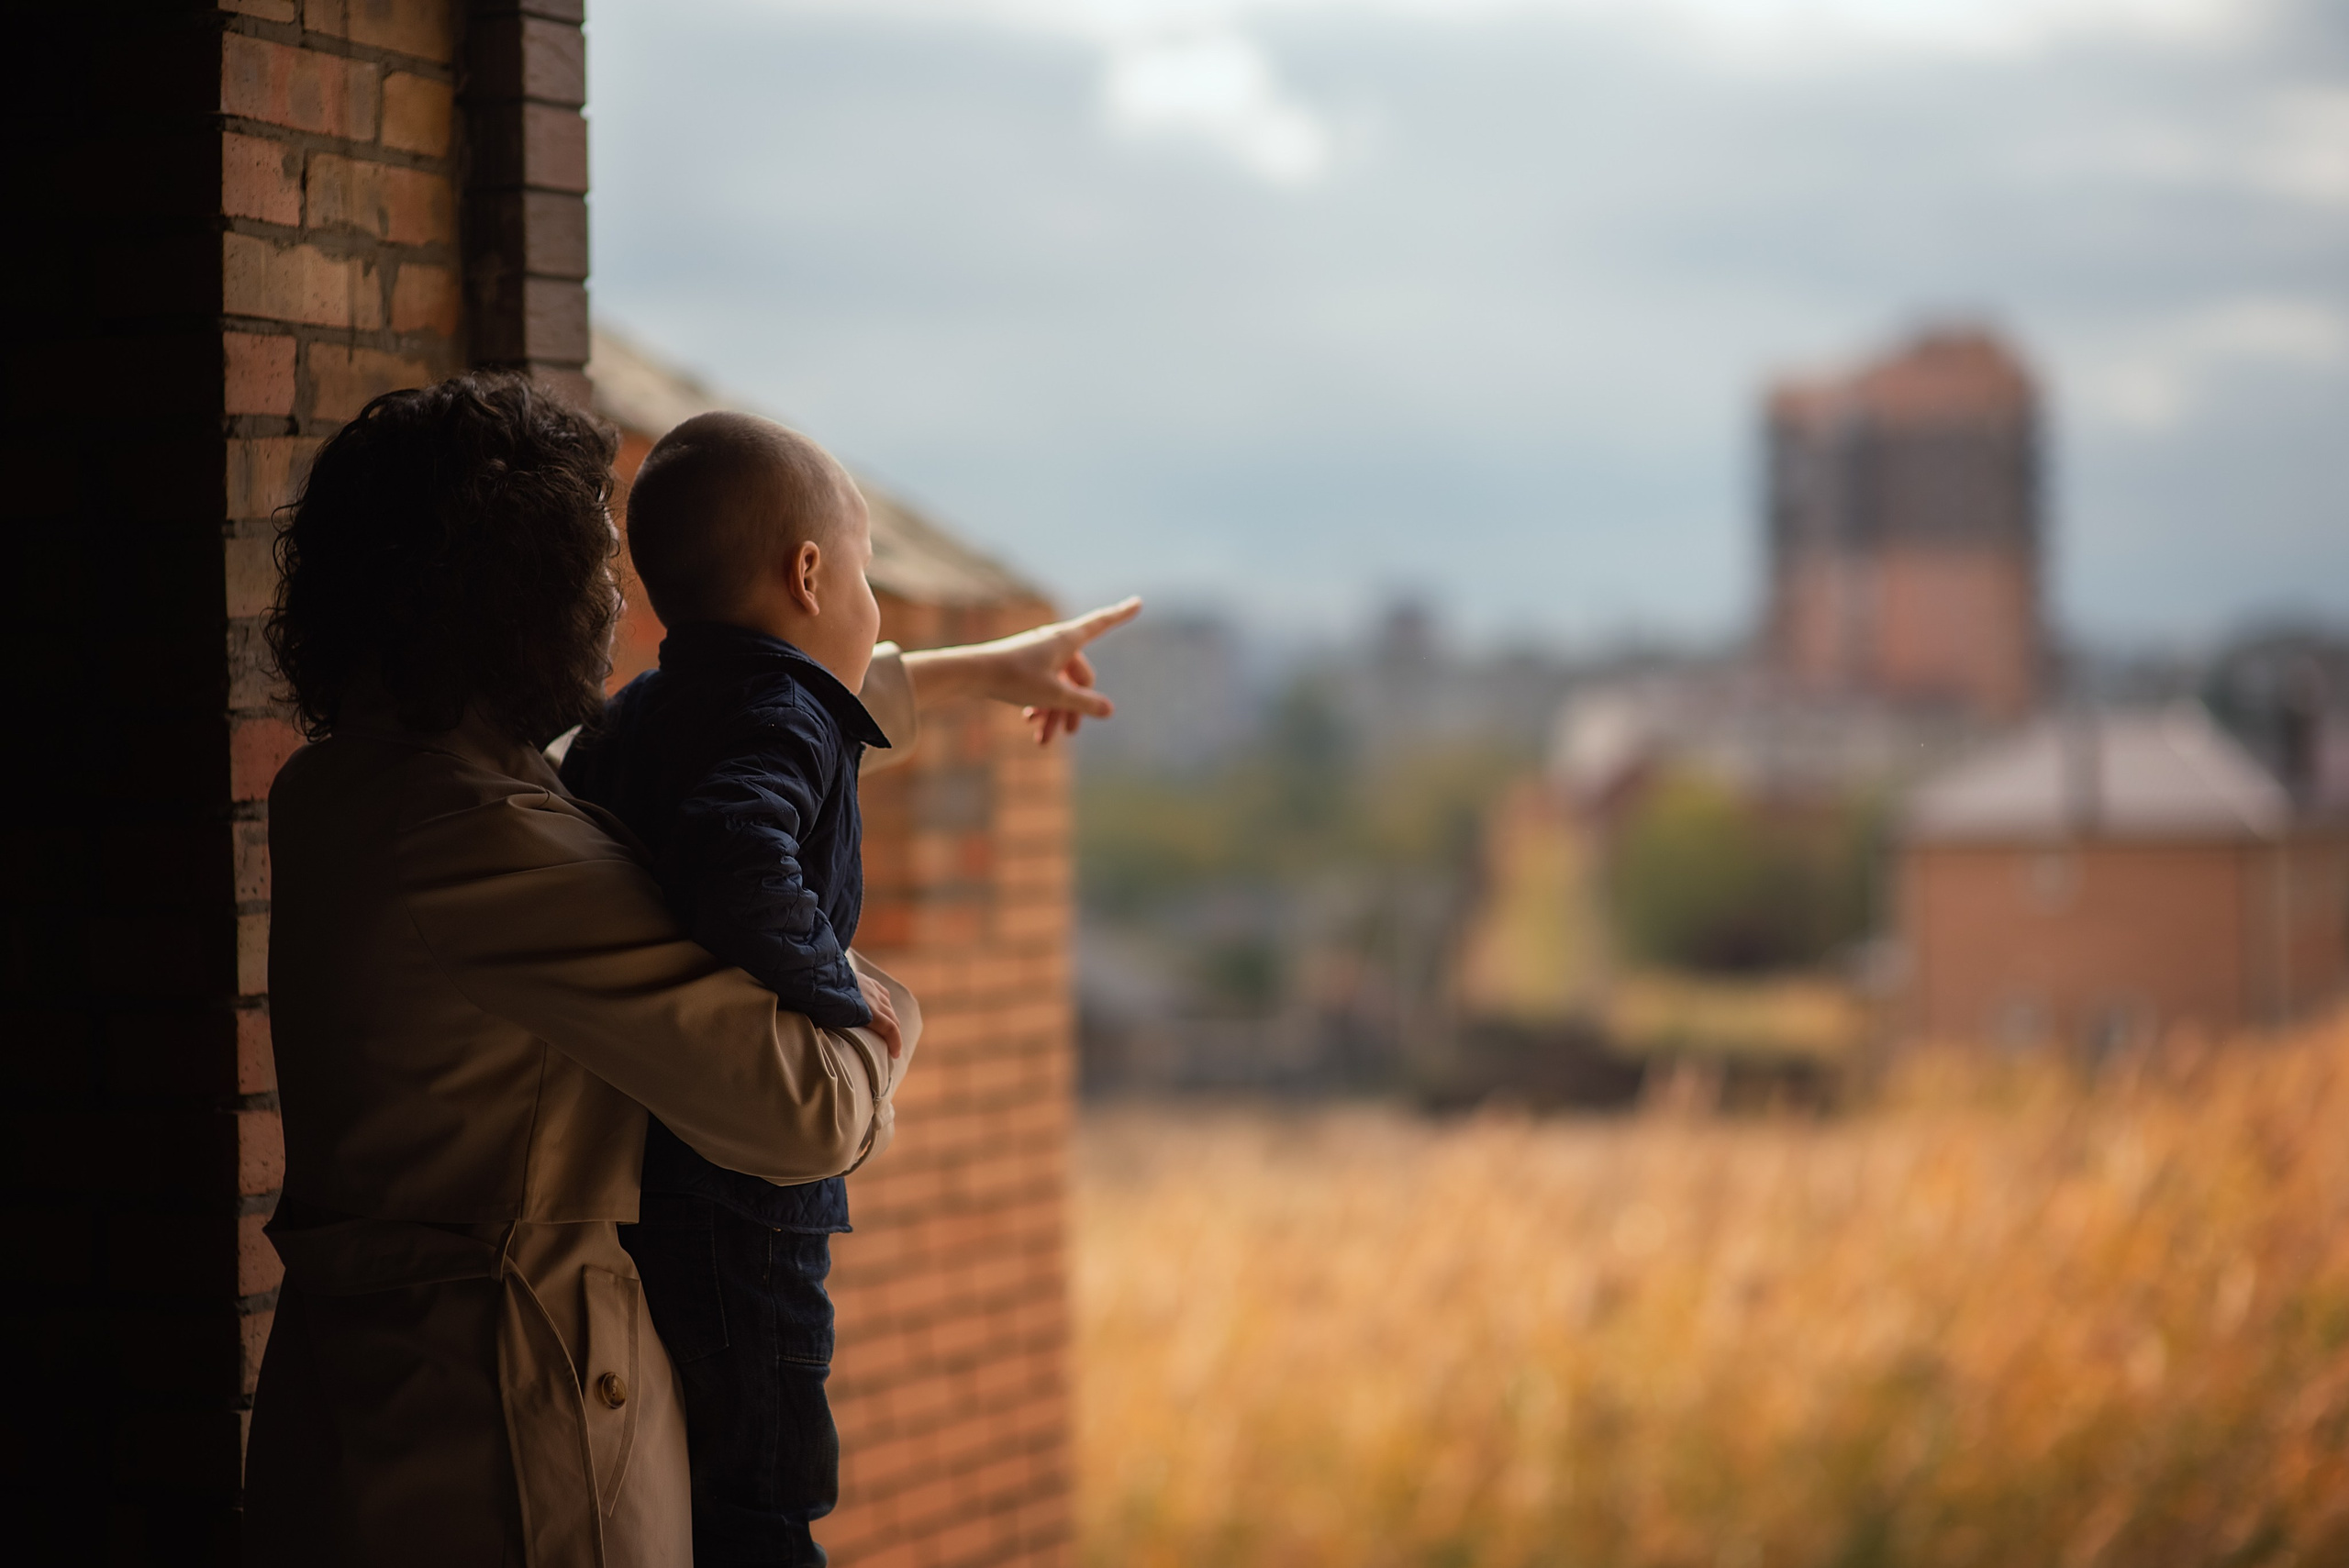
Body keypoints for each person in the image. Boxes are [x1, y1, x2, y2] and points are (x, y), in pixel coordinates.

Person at [243, 372, 1138, 1568]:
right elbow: (804, 1111)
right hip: (513, 1444)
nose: (617, 602)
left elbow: (698, 733)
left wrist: (969, 672)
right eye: (592, 570)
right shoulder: (486, 843)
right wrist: (876, 1009)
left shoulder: (352, 784)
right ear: (517, 594)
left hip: (373, 1418)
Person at [556, 414, 914, 1564]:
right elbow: (734, 847)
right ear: (809, 574)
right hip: (745, 1185)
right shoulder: (787, 711)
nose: (875, 608)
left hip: (648, 1151)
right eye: (866, 573)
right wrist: (833, 984)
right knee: (764, 1479)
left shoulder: (647, 709)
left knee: (696, 1456)